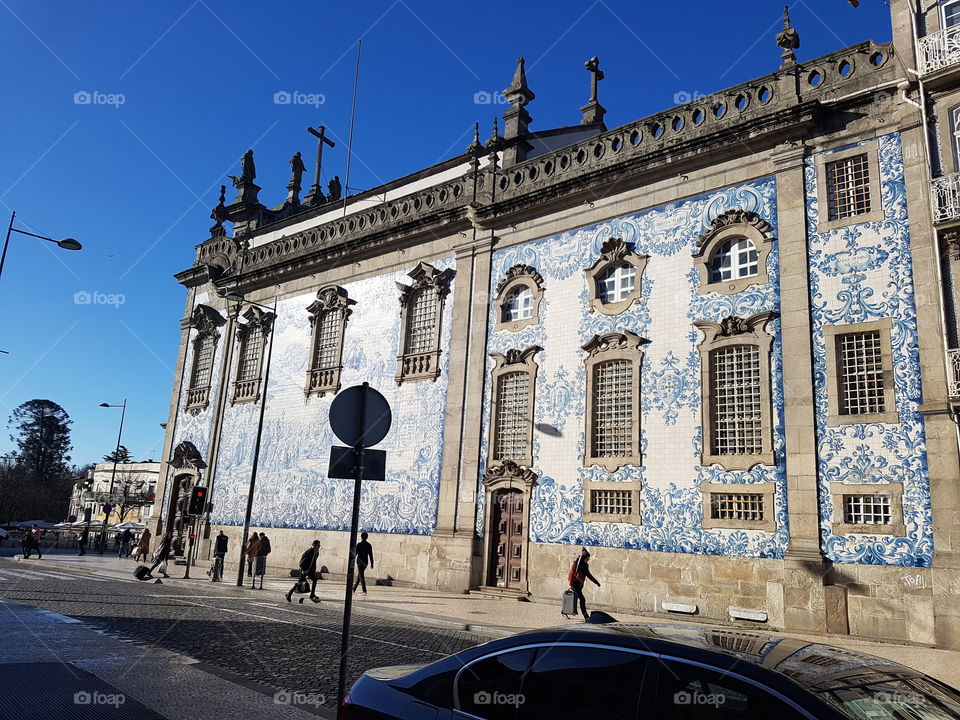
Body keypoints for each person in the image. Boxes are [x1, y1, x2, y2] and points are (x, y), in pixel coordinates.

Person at [568, 547, 601, 621]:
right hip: (575, 584)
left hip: (580, 585)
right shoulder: (576, 564)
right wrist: (571, 585)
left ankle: (564, 611)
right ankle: (586, 616)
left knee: (573, 598)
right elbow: (571, 574)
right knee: (582, 599)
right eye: (587, 558)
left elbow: (588, 575)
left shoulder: (585, 565)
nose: (588, 560)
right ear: (584, 558)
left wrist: (596, 582)